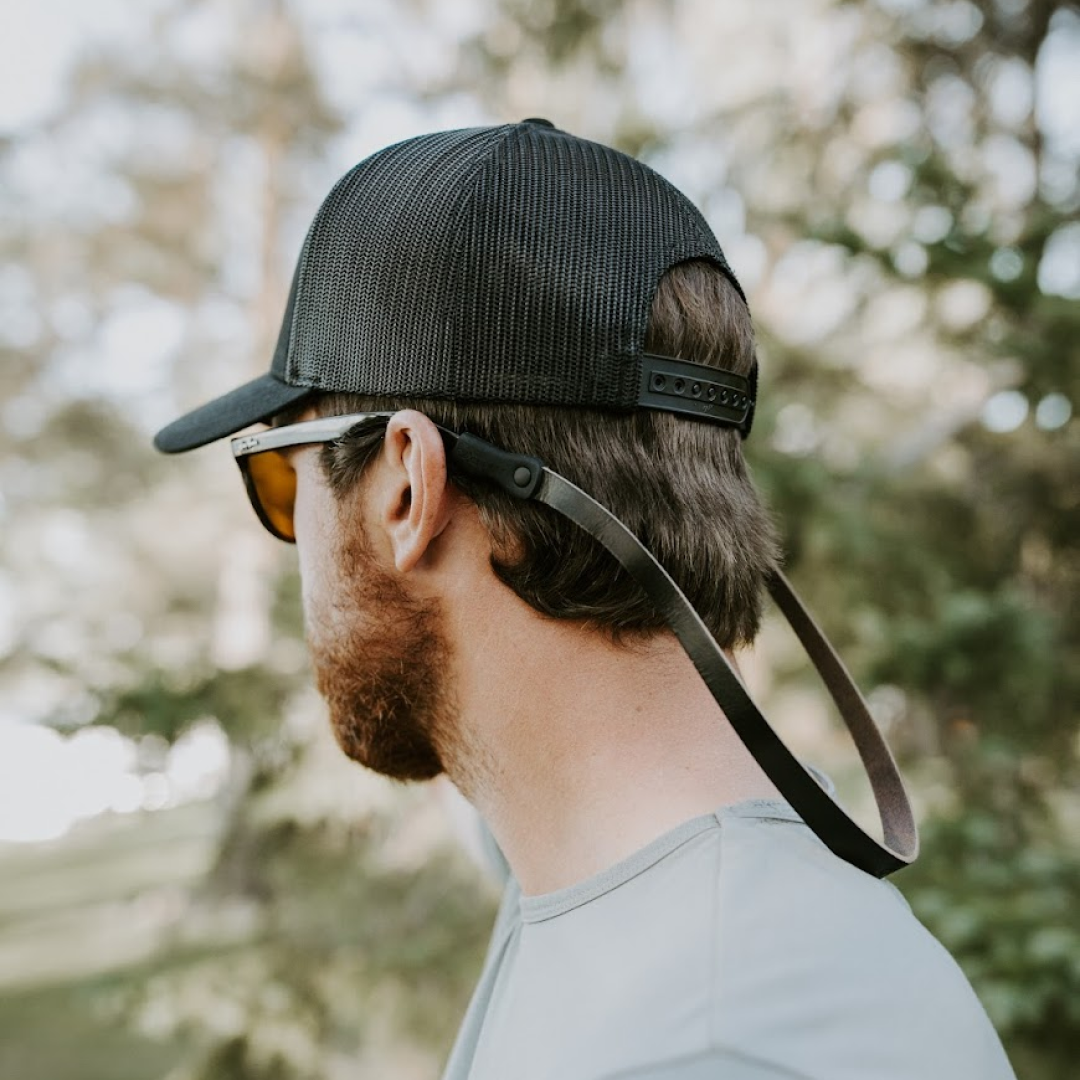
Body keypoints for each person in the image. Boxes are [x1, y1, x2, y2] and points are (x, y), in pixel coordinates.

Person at [154, 119, 1016, 1080]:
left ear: (405, 489)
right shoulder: (629, 876)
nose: (290, 541)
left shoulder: (707, 1048)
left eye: (281, 476)